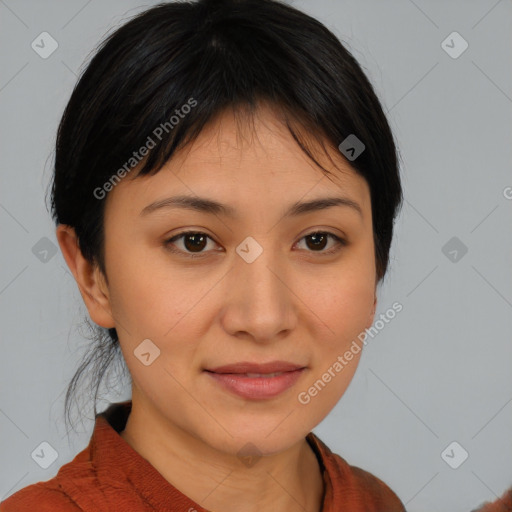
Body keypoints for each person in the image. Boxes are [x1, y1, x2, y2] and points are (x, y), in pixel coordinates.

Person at [0, 0, 408, 510]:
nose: (263, 318)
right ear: (91, 274)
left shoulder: (375, 503)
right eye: (194, 241)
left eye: (317, 240)